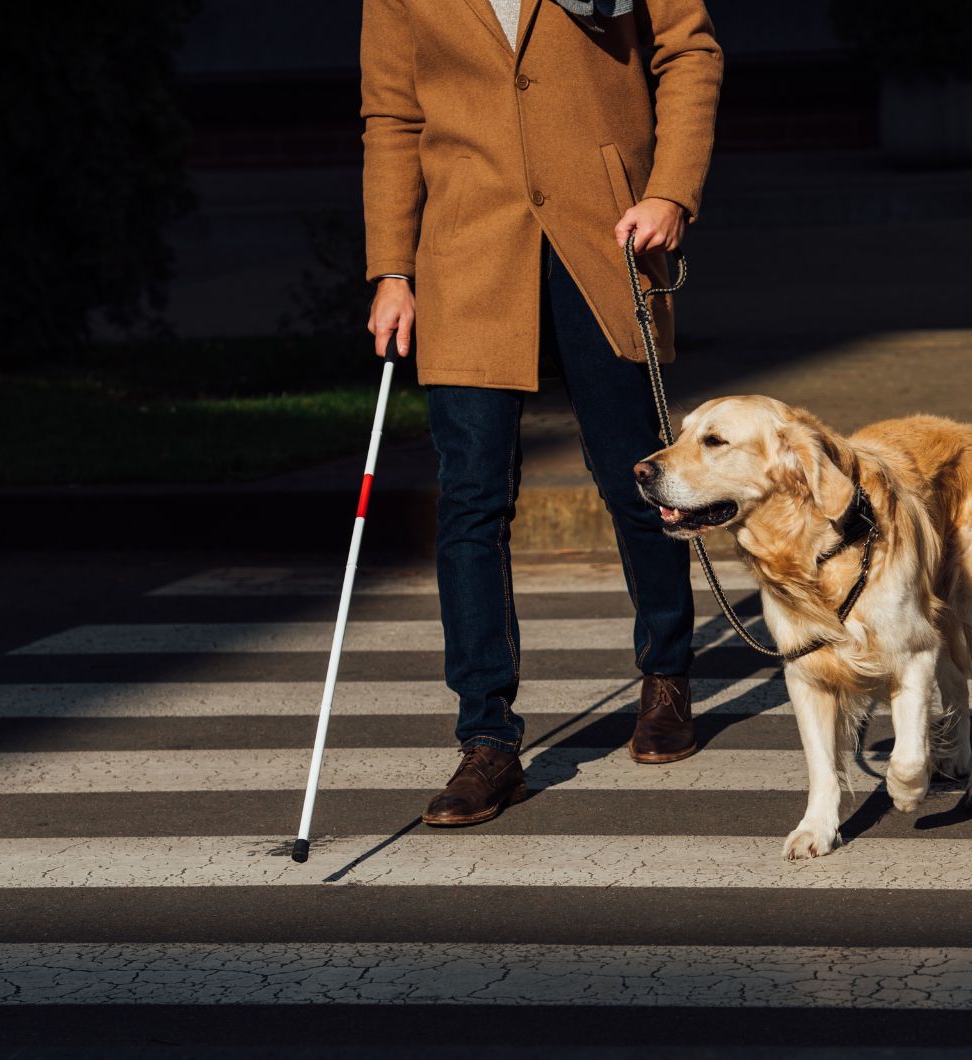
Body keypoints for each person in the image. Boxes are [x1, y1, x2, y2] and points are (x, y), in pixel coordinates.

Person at [360, 0, 723, 826]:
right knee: (471, 501)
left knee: (639, 477)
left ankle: (667, 675)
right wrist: (390, 267)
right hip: (466, 249)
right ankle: (487, 741)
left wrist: (670, 192)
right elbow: (391, 115)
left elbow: (689, 51)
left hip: (607, 236)